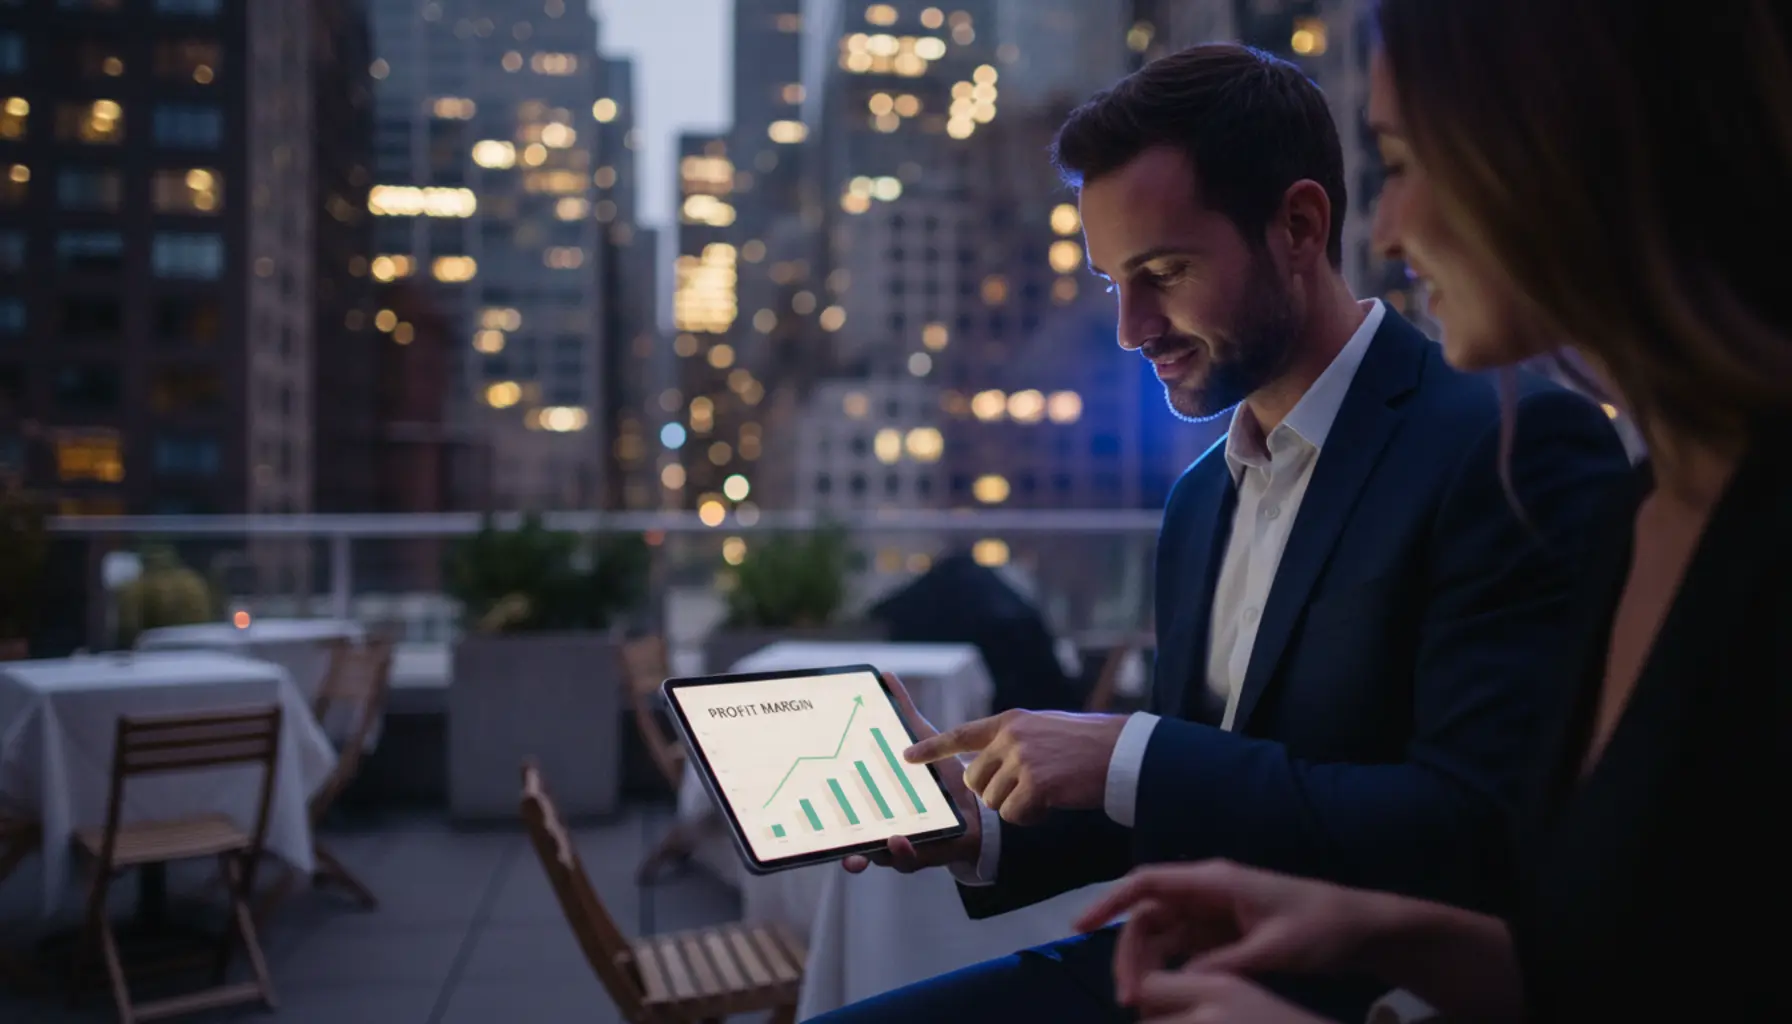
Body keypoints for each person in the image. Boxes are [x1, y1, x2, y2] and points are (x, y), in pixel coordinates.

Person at [814, 44, 1630, 1024]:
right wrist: (978, 826)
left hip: (1368, 995)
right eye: (1114, 280)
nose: (1131, 326)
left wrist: (1127, 750)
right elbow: (1189, 797)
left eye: (1162, 272)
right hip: (1171, 972)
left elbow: (1470, 827)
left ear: (1297, 225)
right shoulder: (1201, 496)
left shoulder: (1505, 442)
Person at [1076, 1, 1792, 1021]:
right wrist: (1387, 933)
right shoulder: (1649, 511)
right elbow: (1621, 948)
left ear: (1568, 153)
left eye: (1405, 162)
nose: (1389, 230)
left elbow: (1486, 834)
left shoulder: (1533, 460)